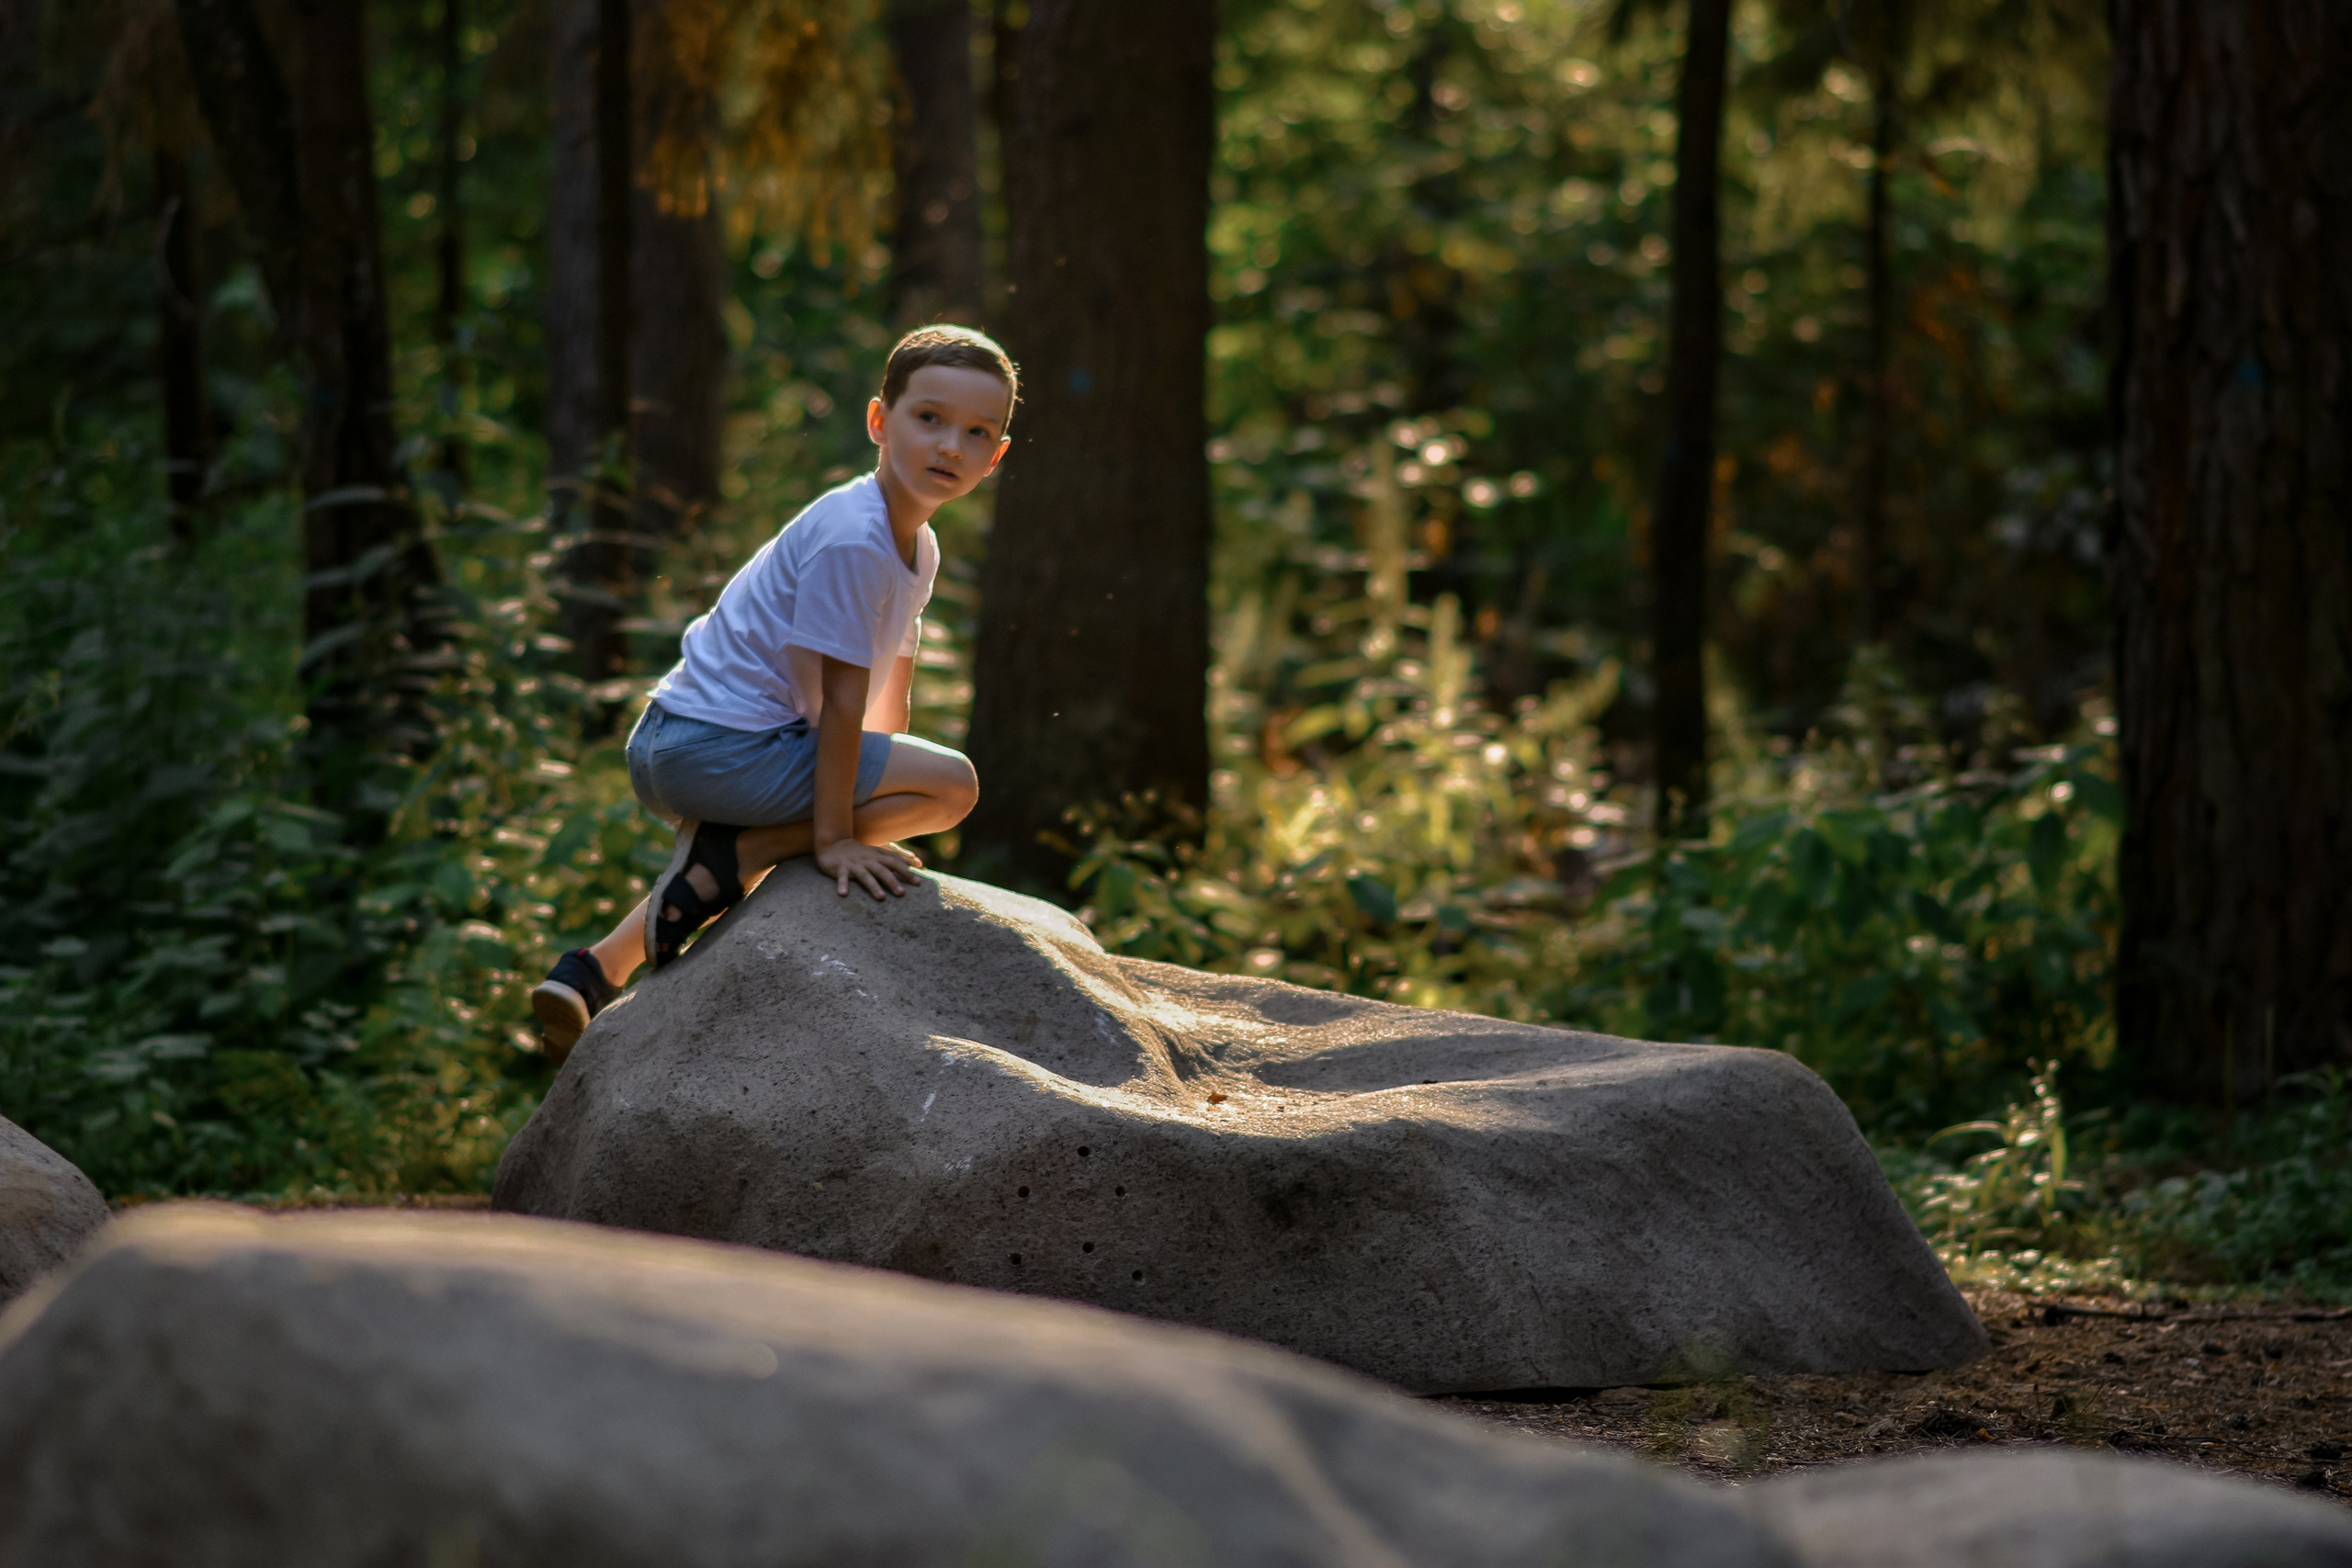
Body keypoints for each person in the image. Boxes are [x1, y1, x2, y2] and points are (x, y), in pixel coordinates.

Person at [527, 325, 1015, 1059]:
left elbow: (886, 706)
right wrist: (837, 838)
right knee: (952, 787)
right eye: (929, 418)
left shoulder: (917, 543)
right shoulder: (855, 538)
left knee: (912, 791)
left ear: (996, 456)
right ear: (880, 421)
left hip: (692, 740)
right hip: (709, 748)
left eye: (977, 432)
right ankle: (743, 849)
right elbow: (844, 705)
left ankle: (591, 971)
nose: (951, 445)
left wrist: (869, 803)